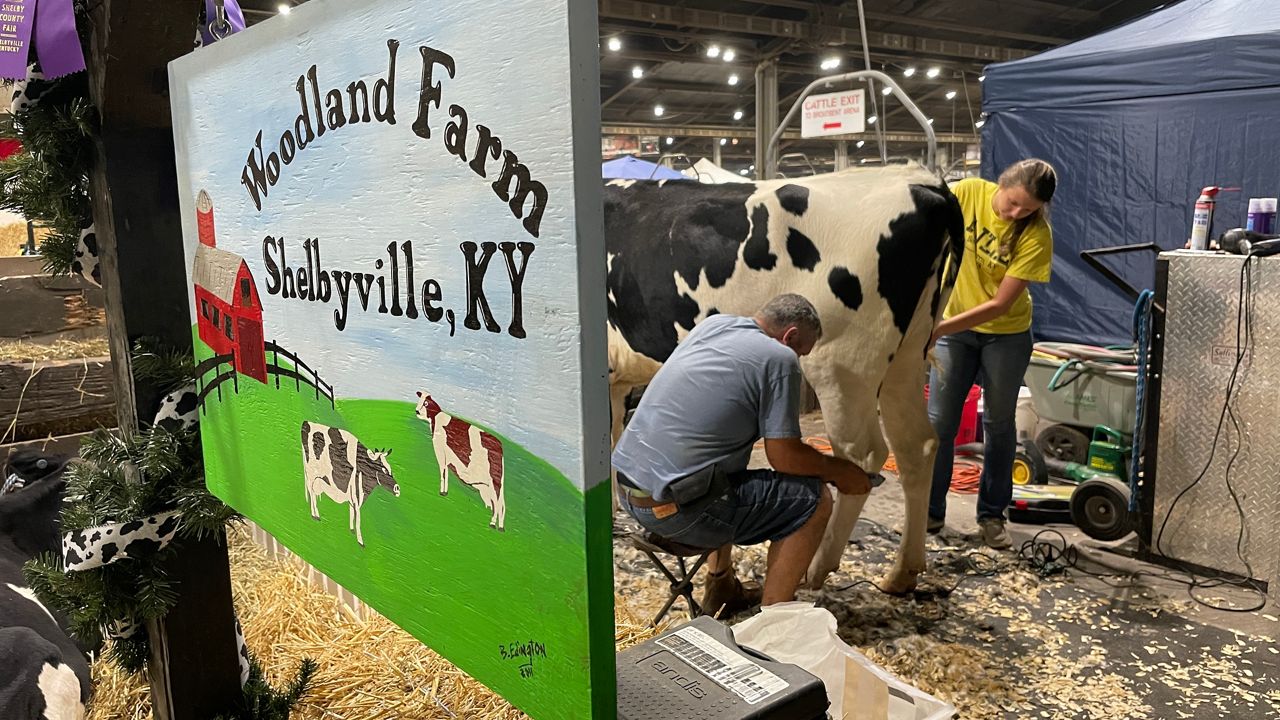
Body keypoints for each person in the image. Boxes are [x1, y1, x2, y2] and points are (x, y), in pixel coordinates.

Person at [611, 294, 871, 616]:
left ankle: (720, 587)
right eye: (800, 351)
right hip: (679, 511)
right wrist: (841, 471)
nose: (798, 360)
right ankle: (772, 622)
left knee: (727, 475)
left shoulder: (714, 326)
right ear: (789, 336)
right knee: (815, 501)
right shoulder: (779, 357)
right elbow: (784, 457)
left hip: (628, 492)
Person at [927, 158, 1058, 549]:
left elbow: (1001, 304)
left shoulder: (1037, 235)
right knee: (939, 424)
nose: (1016, 213)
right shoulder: (967, 192)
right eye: (1013, 202)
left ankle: (991, 515)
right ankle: (930, 512)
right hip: (955, 330)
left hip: (1005, 334)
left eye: (1028, 210)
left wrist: (937, 329)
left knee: (999, 425)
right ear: (1002, 183)